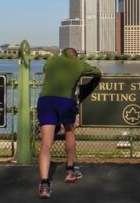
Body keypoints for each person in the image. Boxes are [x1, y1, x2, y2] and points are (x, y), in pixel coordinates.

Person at [37, 47, 101, 199]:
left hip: (45, 101)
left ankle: (44, 184)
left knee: (46, 142)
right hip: (65, 102)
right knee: (70, 131)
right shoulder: (78, 63)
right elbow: (96, 72)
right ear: (75, 55)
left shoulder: (52, 60)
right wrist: (99, 73)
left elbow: (46, 68)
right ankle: (70, 170)